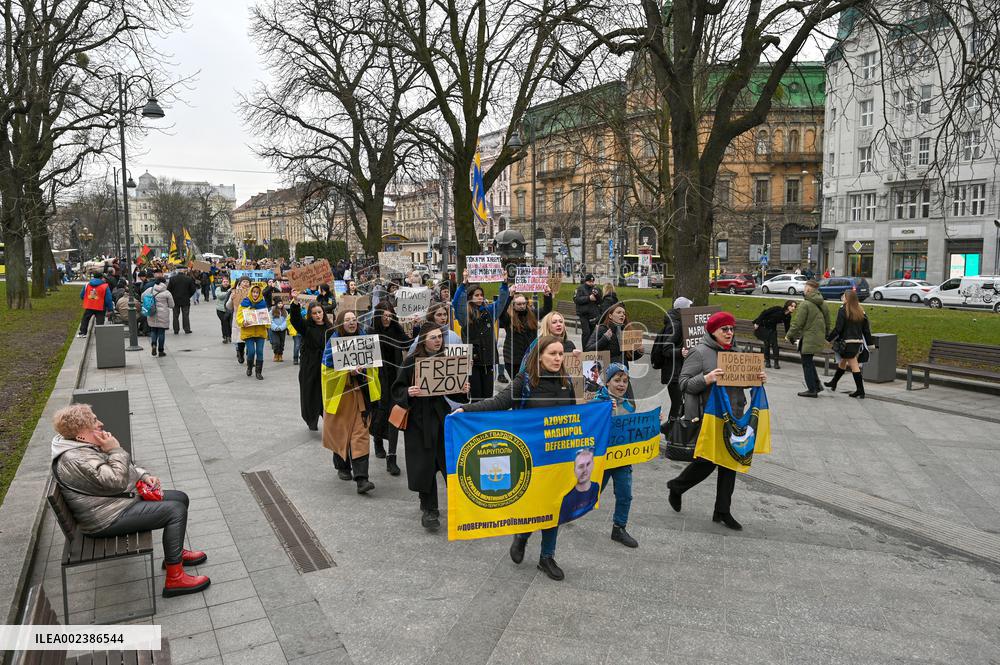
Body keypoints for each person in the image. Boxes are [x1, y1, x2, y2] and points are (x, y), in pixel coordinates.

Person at [50, 404, 211, 597]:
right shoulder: (76, 458)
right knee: (175, 511)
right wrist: (115, 449)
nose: (100, 423)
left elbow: (120, 471)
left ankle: (175, 555)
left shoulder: (80, 446)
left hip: (111, 504)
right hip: (105, 519)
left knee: (180, 498)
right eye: (94, 421)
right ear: (81, 432)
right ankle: (175, 579)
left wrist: (143, 476)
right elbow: (116, 481)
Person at [457, 336, 576, 581]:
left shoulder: (567, 381)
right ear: (539, 355)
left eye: (560, 354)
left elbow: (575, 415)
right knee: (533, 507)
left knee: (554, 506)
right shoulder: (525, 381)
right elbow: (499, 402)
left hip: (556, 458)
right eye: (552, 353)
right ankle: (522, 536)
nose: (557, 358)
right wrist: (466, 410)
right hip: (530, 458)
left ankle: (547, 557)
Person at [666, 311, 766, 531]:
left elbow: (741, 383)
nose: (729, 333)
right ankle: (677, 486)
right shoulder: (699, 353)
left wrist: (755, 380)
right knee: (707, 462)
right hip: (708, 417)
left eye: (731, 329)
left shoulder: (736, 353)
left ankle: (722, 511)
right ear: (713, 331)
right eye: (725, 329)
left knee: (729, 463)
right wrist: (707, 378)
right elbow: (683, 383)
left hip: (734, 417)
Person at [392, 323, 469, 530]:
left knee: (447, 462)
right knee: (424, 466)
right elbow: (397, 390)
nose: (438, 340)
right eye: (433, 337)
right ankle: (429, 509)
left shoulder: (446, 360)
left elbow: (453, 392)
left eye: (440, 337)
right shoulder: (410, 363)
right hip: (418, 421)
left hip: (441, 417)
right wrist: (408, 392)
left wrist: (462, 389)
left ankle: (458, 504)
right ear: (424, 339)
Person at [321, 310, 379, 493]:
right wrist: (347, 372)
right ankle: (342, 465)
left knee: (360, 435)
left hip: (361, 396)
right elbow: (326, 371)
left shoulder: (365, 340)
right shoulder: (332, 343)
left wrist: (365, 369)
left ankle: (362, 479)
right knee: (341, 433)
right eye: (348, 320)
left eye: (354, 320)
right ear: (340, 323)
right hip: (342, 397)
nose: (352, 323)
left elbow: (375, 367)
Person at [591, 363, 638, 547]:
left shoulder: (628, 405)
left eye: (625, 381)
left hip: (621, 459)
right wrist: (602, 408)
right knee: (590, 492)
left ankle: (619, 528)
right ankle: (568, 512)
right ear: (607, 382)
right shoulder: (597, 402)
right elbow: (587, 420)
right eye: (617, 380)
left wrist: (652, 422)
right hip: (602, 459)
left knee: (625, 494)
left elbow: (633, 428)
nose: (621, 385)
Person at [453, 271, 510, 401]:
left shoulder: (489, 312)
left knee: (488, 396)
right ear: (470, 297)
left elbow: (501, 302)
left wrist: (504, 284)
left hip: (488, 361)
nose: (480, 297)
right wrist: (463, 284)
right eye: (476, 295)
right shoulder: (464, 316)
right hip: (473, 362)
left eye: (481, 295)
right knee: (476, 396)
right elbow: (457, 303)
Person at [370, 302, 409, 474]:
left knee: (394, 416)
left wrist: (415, 329)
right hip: (377, 379)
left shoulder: (396, 329)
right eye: (384, 315)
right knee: (379, 414)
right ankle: (378, 441)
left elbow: (408, 344)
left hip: (395, 379)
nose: (387, 318)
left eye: (390, 315)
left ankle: (391, 457)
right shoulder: (371, 332)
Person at [289, 294, 331, 430]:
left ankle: (328, 418)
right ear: (310, 315)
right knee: (310, 393)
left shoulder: (330, 328)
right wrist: (295, 301)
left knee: (325, 393)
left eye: (319, 312)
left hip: (326, 367)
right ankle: (311, 419)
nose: (318, 315)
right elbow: (295, 320)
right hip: (310, 366)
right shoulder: (306, 326)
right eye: (314, 313)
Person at [824, 289, 874, 398]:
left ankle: (860, 390)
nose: (842, 298)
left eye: (843, 296)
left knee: (854, 365)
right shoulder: (861, 311)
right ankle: (834, 382)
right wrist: (870, 344)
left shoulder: (843, 310)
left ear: (847, 299)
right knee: (843, 362)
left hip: (846, 343)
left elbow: (838, 328)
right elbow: (866, 330)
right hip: (857, 343)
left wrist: (828, 339)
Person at [650, 296, 692, 421]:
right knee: (678, 405)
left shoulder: (679, 322)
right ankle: (671, 432)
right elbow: (666, 349)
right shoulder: (676, 325)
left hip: (678, 372)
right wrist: (681, 352)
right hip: (674, 373)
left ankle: (672, 431)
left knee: (681, 404)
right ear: (682, 310)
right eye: (689, 308)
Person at [785, 280, 830, 398]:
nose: (804, 289)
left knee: (806, 363)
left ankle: (812, 389)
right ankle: (817, 385)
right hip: (817, 336)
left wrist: (789, 335)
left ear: (809, 289)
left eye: (805, 287)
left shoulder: (805, 304)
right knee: (809, 361)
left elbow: (798, 323)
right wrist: (825, 335)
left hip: (809, 337)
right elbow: (828, 321)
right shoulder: (822, 303)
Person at [499, 286, 550, 380]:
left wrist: (547, 295)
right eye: (519, 304)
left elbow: (547, 309)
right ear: (513, 305)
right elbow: (501, 312)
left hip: (530, 357)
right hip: (513, 358)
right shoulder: (508, 317)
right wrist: (509, 296)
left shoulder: (533, 314)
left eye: (524, 303)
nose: (522, 306)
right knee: (517, 384)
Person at [588, 302, 643, 369]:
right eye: (619, 312)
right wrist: (605, 339)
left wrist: (639, 352)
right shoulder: (602, 329)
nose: (622, 315)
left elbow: (628, 357)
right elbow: (588, 350)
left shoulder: (626, 332)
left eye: (624, 313)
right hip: (607, 371)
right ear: (610, 316)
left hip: (623, 372)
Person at [236, 283, 269, 380]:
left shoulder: (263, 304)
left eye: (257, 293)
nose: (255, 294)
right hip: (248, 332)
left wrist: (266, 322)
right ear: (251, 292)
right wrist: (243, 322)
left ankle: (258, 372)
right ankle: (249, 367)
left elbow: (267, 318)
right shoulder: (244, 303)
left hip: (260, 331)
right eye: (254, 292)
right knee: (251, 352)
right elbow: (239, 318)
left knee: (260, 352)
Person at [558, 448, 600, 523]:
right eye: (581, 466)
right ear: (574, 469)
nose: (585, 470)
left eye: (588, 464)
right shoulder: (566, 499)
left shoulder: (596, 487)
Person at [753, 300, 796, 369]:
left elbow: (787, 328)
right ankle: (767, 361)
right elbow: (764, 313)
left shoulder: (788, 316)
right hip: (763, 326)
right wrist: (757, 323)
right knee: (766, 344)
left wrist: (791, 340)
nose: (793, 308)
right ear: (787, 306)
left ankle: (776, 362)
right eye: (792, 306)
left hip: (772, 328)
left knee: (775, 344)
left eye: (794, 307)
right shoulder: (777, 309)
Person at [141, 277, 174, 357]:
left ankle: (153, 344)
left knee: (153, 330)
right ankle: (161, 350)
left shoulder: (150, 290)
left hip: (152, 313)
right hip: (163, 314)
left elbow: (142, 297)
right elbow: (172, 305)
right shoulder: (167, 292)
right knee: (161, 332)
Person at [78, 272, 114, 337]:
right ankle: (99, 334)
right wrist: (110, 309)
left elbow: (82, 295)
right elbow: (108, 299)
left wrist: (88, 299)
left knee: (85, 319)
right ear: (101, 278)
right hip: (100, 306)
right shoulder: (105, 286)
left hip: (89, 305)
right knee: (100, 320)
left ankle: (82, 332)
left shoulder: (87, 284)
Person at [573, 274, 601, 348]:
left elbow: (600, 301)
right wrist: (588, 298)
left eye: (592, 281)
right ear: (586, 281)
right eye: (589, 282)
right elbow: (576, 299)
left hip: (593, 315)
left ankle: (591, 349)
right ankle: (585, 349)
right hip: (583, 314)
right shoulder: (580, 289)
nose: (591, 283)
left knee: (592, 334)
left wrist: (597, 296)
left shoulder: (595, 289)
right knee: (586, 333)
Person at [229, 276, 252, 364]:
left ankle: (250, 358)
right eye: (244, 282)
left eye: (247, 282)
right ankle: (240, 353)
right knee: (240, 339)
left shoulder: (253, 292)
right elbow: (228, 307)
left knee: (250, 339)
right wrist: (231, 299)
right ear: (240, 283)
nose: (245, 284)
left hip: (250, 318)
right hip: (238, 319)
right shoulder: (234, 292)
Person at [167, 267, 196, 334]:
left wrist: (172, 296)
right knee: (185, 315)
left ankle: (176, 330)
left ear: (177, 271)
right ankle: (187, 329)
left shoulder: (172, 279)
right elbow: (193, 289)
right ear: (184, 271)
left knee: (175, 315)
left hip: (175, 300)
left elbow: (169, 290)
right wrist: (188, 296)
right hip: (185, 300)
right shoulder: (188, 279)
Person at [215, 277, 233, 344]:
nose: (226, 283)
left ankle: (230, 336)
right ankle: (225, 336)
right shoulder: (218, 289)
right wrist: (229, 291)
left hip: (229, 309)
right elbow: (220, 296)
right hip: (220, 310)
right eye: (224, 282)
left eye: (227, 282)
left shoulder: (232, 289)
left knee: (229, 323)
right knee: (224, 322)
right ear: (222, 283)